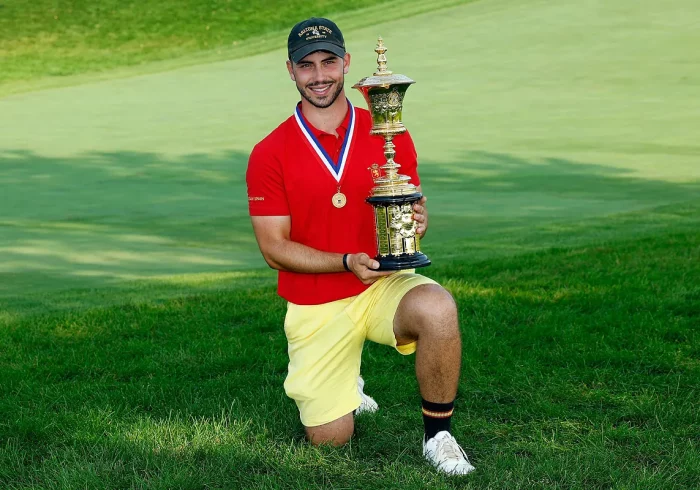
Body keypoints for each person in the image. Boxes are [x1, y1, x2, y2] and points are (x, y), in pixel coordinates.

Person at [245, 17, 475, 475]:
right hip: (316, 301)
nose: (320, 75)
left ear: (346, 63)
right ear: (290, 71)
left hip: (381, 284)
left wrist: (417, 223)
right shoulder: (269, 151)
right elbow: (273, 248)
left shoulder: (389, 130)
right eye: (306, 65)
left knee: (439, 307)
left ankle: (439, 436)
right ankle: (347, 381)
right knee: (330, 441)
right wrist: (346, 261)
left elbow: (406, 214)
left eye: (329, 61)